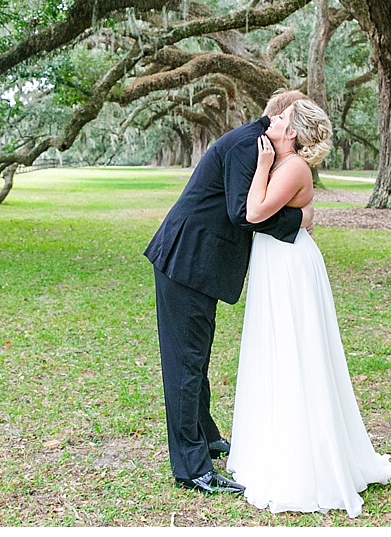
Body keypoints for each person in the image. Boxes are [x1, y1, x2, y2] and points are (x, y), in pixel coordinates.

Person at [226, 98, 391, 517]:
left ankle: (303, 461)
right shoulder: (287, 162)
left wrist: (260, 166)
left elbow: (255, 211)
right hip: (278, 258)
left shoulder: (291, 168)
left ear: (292, 133)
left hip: (290, 264)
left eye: (282, 118)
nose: (273, 119)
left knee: (295, 349)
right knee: (275, 348)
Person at [144, 90, 313, 494]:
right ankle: (192, 469)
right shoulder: (247, 146)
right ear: (281, 120)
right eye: (291, 119)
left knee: (195, 359)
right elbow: (244, 213)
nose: (291, 126)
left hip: (199, 265)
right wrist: (299, 218)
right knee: (185, 365)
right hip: (185, 261)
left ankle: (207, 436)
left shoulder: (259, 146)